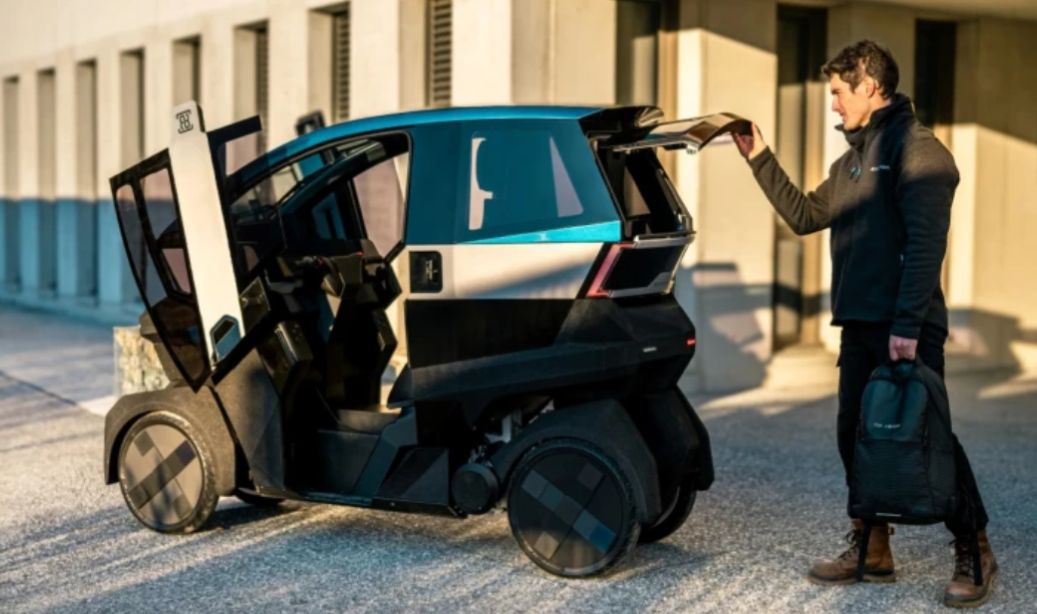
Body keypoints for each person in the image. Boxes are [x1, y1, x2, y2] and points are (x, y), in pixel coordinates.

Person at [732, 40, 997, 608]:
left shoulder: (921, 153)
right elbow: (805, 214)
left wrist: (907, 325)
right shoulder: (851, 161)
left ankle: (974, 549)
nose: (833, 104)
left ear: (869, 87)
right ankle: (872, 547)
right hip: (859, 324)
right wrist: (759, 156)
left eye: (838, 92)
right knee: (854, 435)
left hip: (906, 327)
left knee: (928, 438)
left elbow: (926, 247)